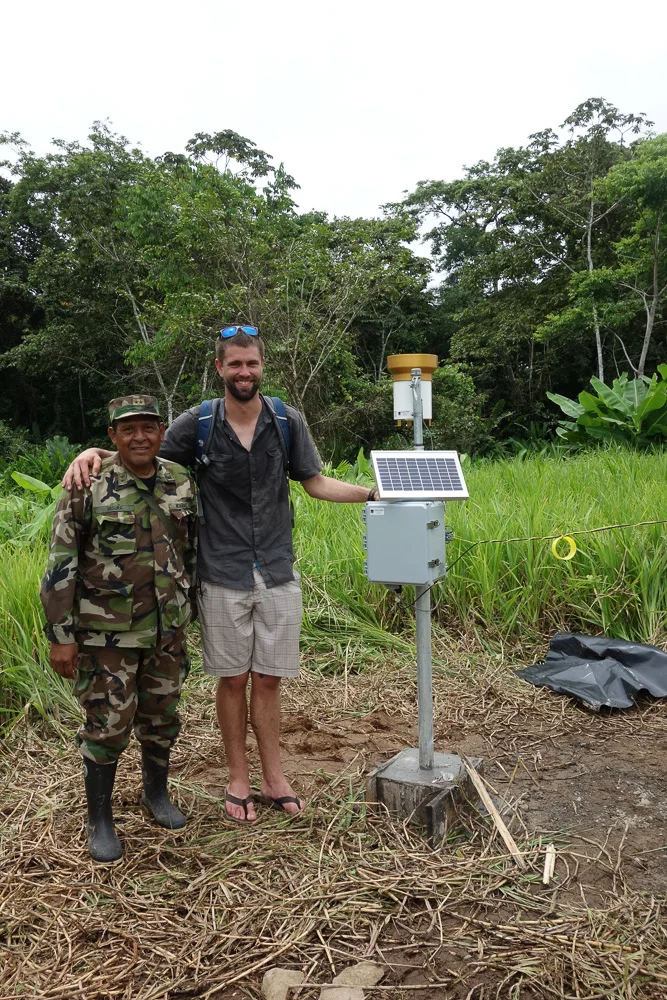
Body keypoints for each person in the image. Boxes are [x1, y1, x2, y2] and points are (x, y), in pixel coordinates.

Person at [64, 327, 378, 824]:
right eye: (235, 364)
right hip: (221, 571)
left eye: (251, 363)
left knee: (269, 680)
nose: (244, 372)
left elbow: (315, 482)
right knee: (231, 681)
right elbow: (143, 452)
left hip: (276, 568)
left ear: (262, 365)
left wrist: (373, 495)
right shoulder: (200, 422)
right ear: (220, 369)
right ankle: (237, 778)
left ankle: (274, 777)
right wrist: (92, 454)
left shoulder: (285, 420)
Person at [43, 395, 197, 862]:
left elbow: (190, 552)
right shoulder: (87, 484)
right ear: (112, 436)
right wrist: (60, 637)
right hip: (106, 635)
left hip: (166, 630)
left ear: (162, 431)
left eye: (148, 427)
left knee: (162, 718)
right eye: (127, 429)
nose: (139, 437)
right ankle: (100, 819)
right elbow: (61, 563)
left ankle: (156, 794)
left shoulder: (179, 480)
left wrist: (190, 611)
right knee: (106, 726)